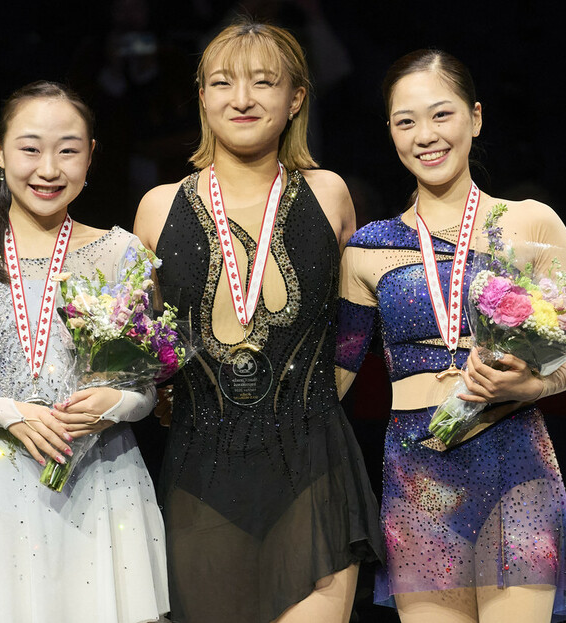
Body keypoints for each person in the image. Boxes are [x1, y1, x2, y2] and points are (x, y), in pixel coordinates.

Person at [335, 50, 566, 622]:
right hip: (417, 473)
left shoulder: (528, 221)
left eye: (441, 115)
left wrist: (533, 384)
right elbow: (336, 373)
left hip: (513, 463)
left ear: (475, 118)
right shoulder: (367, 248)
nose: (425, 136)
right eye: (406, 122)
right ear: (390, 133)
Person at [133, 19, 382, 623]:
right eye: (222, 83)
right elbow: (141, 345)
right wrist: (161, 393)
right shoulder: (157, 208)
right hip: (200, 477)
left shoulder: (329, 194)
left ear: (296, 98)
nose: (241, 99)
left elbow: (357, 327)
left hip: (313, 474)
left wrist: (320, 405)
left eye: (263, 83)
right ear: (201, 97)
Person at [0, 81, 169, 623]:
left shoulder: (123, 252)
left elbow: (146, 389)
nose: (48, 168)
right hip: (5, 487)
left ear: (92, 155)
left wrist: (112, 403)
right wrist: (12, 414)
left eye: (68, 149)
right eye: (30, 148)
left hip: (106, 479)